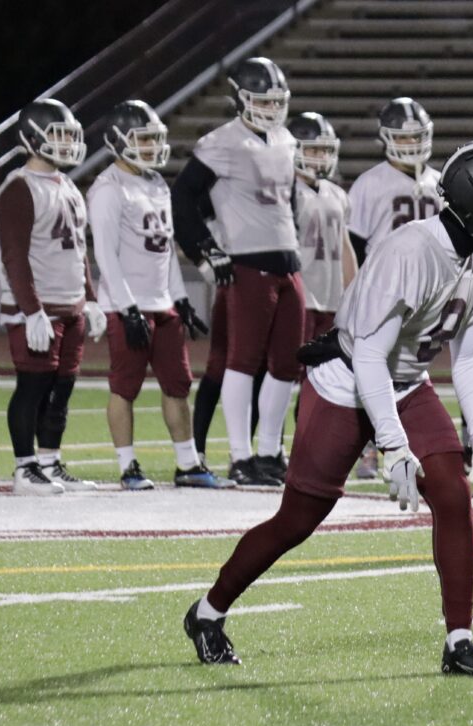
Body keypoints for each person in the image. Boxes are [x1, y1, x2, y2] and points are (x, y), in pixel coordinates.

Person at [182, 139, 473, 675]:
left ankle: (460, 642)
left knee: (452, 494)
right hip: (348, 379)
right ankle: (208, 612)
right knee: (298, 520)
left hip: (406, 381)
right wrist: (393, 446)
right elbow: (370, 355)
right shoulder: (412, 251)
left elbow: (468, 357)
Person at [87, 100, 233, 491]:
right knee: (125, 388)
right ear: (118, 140)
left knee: (178, 385)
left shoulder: (155, 183)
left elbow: (165, 250)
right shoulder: (108, 188)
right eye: (143, 139)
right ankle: (128, 466)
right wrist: (128, 308)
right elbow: (105, 255)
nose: (152, 147)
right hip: (127, 305)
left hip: (162, 304)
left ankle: (188, 464)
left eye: (154, 139)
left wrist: (179, 298)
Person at [172, 57, 304, 487]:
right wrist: (205, 250)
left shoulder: (285, 139)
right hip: (248, 264)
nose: (271, 108)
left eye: (276, 101)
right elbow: (182, 198)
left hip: (289, 263)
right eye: (262, 100)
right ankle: (240, 455)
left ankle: (269, 452)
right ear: (240, 99)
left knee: (286, 364)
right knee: (243, 362)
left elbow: (289, 202)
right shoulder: (221, 142)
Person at [0, 98, 106, 495]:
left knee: (62, 389)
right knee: (33, 385)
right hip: (38, 308)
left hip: (70, 304)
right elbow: (14, 256)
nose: (67, 143)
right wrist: (31, 310)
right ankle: (25, 468)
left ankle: (49, 462)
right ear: (31, 137)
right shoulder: (19, 188)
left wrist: (90, 298)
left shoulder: (68, 185)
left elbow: (79, 250)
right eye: (58, 135)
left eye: (70, 135)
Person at [346, 96, 441, 478]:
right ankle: (368, 449)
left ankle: (405, 445)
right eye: (403, 137)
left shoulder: (439, 182)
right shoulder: (370, 183)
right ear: (385, 138)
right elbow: (352, 246)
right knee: (374, 370)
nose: (411, 144)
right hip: (382, 293)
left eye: (417, 136)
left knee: (411, 372)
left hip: (426, 296)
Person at [287, 112, 357, 344]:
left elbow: (345, 248)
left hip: (332, 298)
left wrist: (354, 292)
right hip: (298, 297)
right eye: (314, 150)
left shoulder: (337, 194)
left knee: (329, 365)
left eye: (326, 150)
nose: (322, 157)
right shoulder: (286, 192)